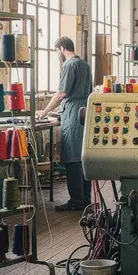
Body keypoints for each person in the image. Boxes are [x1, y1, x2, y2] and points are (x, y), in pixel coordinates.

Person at [38, 37, 92, 211]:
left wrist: (44, 112)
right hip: (84, 111)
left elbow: (61, 93)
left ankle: (76, 200)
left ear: (61, 48)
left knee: (72, 158)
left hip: (73, 114)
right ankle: (85, 198)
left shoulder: (69, 65)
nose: (57, 55)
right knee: (83, 156)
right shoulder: (84, 64)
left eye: (56, 52)